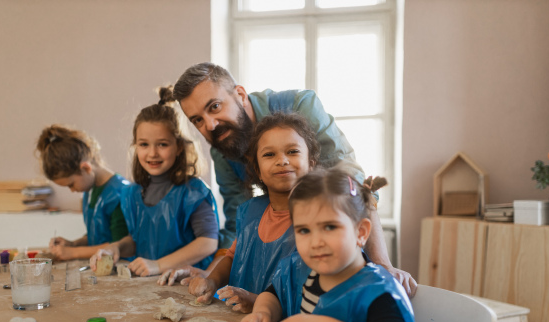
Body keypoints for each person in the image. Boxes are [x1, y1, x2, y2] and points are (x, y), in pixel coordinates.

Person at [173, 62, 416, 296]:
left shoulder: (302, 106)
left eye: (214, 107)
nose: (210, 125)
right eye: (197, 120)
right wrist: (211, 275)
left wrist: (382, 265)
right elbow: (240, 224)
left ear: (240, 94)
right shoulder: (222, 148)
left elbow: (353, 186)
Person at [234, 168, 423, 322]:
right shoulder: (298, 269)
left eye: (330, 227)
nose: (316, 242)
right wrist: (262, 314)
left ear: (361, 232)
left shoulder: (379, 291)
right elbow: (275, 293)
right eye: (304, 230)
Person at [183, 112, 319, 312]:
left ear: (311, 164)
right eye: (269, 154)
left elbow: (318, 294)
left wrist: (258, 302)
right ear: (258, 170)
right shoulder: (250, 213)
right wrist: (211, 280)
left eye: (292, 151)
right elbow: (231, 258)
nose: (282, 160)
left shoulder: (322, 219)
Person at [90, 87, 218, 276]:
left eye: (162, 144)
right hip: (148, 285)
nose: (152, 153)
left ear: (179, 147)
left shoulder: (194, 192)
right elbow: (136, 241)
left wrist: (158, 265)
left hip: (186, 284)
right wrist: (115, 248)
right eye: (144, 144)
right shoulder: (131, 193)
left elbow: (208, 243)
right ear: (135, 146)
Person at [36, 124, 130, 261]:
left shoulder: (120, 194)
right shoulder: (90, 191)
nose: (72, 190)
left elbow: (119, 245)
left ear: (86, 168)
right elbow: (96, 237)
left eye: (71, 184)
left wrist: (72, 252)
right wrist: (73, 244)